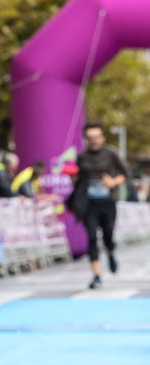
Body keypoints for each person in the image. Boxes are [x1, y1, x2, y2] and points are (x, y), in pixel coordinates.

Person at [71, 122, 128, 289]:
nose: (93, 140)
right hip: (89, 204)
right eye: (90, 138)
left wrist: (113, 182)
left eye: (96, 137)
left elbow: (125, 174)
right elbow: (78, 179)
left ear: (102, 138)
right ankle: (97, 276)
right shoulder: (82, 157)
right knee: (91, 237)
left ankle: (111, 252)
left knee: (108, 235)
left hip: (107, 202)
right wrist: (73, 177)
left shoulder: (111, 154)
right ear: (85, 139)